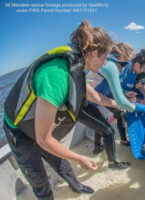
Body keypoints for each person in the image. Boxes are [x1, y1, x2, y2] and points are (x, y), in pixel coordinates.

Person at [2, 20, 123, 199]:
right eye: (105, 58)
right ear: (94, 54)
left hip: (38, 122)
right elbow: (43, 139)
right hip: (19, 129)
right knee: (39, 180)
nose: (105, 63)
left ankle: (76, 186)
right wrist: (79, 158)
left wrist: (117, 104)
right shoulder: (56, 76)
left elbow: (95, 97)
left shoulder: (78, 64)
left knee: (60, 161)